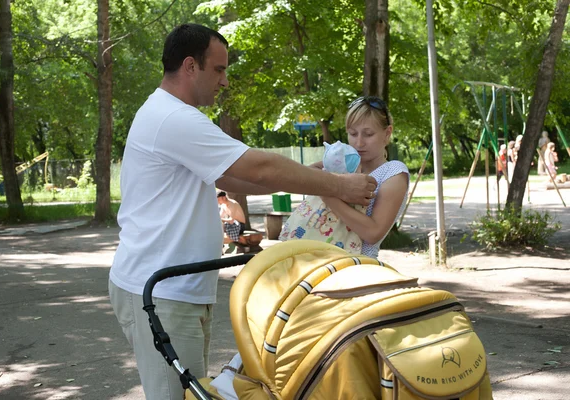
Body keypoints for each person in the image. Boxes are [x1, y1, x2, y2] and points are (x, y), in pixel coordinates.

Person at [107, 23, 376, 400]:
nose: (225, 81)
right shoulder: (173, 118)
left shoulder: (172, 114)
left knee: (192, 392)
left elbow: (243, 179)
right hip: (161, 291)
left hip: (176, 288)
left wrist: (310, 177)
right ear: (190, 67)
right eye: (218, 70)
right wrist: (340, 186)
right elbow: (257, 167)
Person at [312, 96, 409, 259]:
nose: (359, 143)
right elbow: (302, 176)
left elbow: (373, 233)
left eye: (368, 134)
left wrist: (326, 191)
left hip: (357, 266)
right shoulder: (344, 164)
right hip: (318, 260)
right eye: (352, 133)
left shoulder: (394, 173)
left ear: (387, 133)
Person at [279, 141, 366, 254]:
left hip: (299, 239)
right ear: (352, 173)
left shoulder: (319, 184)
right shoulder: (350, 192)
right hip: (328, 248)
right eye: (359, 168)